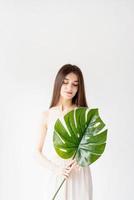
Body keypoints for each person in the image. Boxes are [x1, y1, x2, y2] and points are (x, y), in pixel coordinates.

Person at [35, 64, 93, 199]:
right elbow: (36, 152)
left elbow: (91, 148)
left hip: (78, 174)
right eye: (65, 83)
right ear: (58, 84)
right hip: (57, 173)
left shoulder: (84, 114)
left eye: (75, 84)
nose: (69, 88)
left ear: (79, 88)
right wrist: (56, 169)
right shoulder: (47, 115)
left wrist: (81, 160)